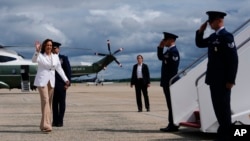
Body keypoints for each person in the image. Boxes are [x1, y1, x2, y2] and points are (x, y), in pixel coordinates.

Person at [195, 11, 238, 141]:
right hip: (213, 79)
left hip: (224, 80)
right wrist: (200, 32)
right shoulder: (213, 37)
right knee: (218, 108)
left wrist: (231, 80)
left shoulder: (227, 37)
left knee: (224, 109)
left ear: (219, 21)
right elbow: (200, 43)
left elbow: (233, 60)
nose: (209, 24)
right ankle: (222, 133)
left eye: (211, 21)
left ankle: (226, 135)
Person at [32, 39, 70, 133]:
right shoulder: (40, 56)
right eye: (47, 45)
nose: (49, 46)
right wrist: (37, 51)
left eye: (50, 45)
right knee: (45, 100)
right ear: (44, 46)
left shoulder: (55, 57)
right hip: (42, 81)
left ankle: (42, 124)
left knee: (47, 103)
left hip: (51, 82)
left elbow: (59, 69)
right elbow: (33, 60)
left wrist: (66, 79)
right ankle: (47, 125)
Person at [157, 32, 180, 132]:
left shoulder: (174, 52)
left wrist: (169, 82)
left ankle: (173, 125)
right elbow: (161, 58)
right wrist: (160, 48)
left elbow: (173, 69)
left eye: (165, 40)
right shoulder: (168, 51)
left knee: (171, 104)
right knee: (169, 104)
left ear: (171, 40)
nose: (164, 41)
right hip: (167, 82)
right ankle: (173, 123)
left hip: (170, 82)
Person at [52, 41, 71, 127]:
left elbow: (68, 71)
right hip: (52, 84)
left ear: (58, 49)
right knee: (54, 104)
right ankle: (54, 120)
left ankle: (60, 121)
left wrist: (68, 83)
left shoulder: (63, 58)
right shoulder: (49, 58)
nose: (53, 49)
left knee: (62, 103)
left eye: (55, 48)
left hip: (61, 84)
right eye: (52, 48)